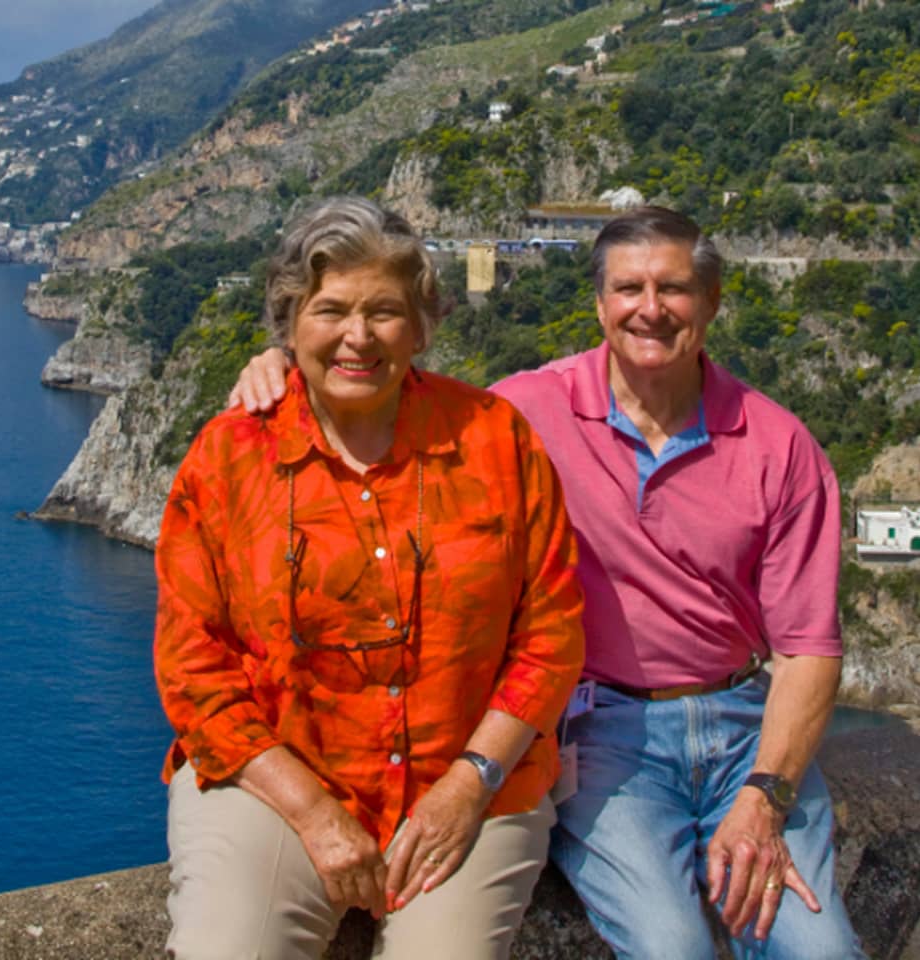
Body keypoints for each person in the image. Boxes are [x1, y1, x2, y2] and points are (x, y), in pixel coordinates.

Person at [228, 205, 866, 959]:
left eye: (674, 289)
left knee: (823, 951)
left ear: (712, 302)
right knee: (670, 947)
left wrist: (767, 794)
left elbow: (809, 649)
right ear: (599, 305)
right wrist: (280, 367)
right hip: (601, 733)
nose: (650, 309)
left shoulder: (779, 444)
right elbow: (388, 389)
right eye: (629, 288)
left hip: (744, 732)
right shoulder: (524, 413)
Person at [154, 196, 585, 960]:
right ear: (291, 324)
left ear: (421, 325)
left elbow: (550, 634)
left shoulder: (495, 441)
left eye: (384, 311)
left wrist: (470, 782)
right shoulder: (228, 457)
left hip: (470, 785)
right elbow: (193, 667)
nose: (358, 336)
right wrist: (315, 814)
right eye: (331, 311)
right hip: (275, 780)